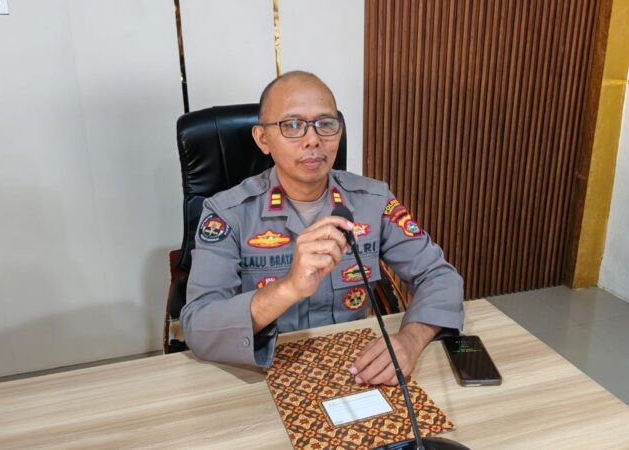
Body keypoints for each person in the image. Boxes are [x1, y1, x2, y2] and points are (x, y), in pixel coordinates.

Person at [181, 71, 463, 386]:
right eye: (292, 125)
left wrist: (411, 339)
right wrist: (288, 288)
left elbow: (440, 276)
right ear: (263, 139)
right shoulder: (226, 213)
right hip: (262, 371)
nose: (313, 140)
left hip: (356, 367)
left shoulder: (373, 201)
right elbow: (197, 326)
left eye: (325, 124)